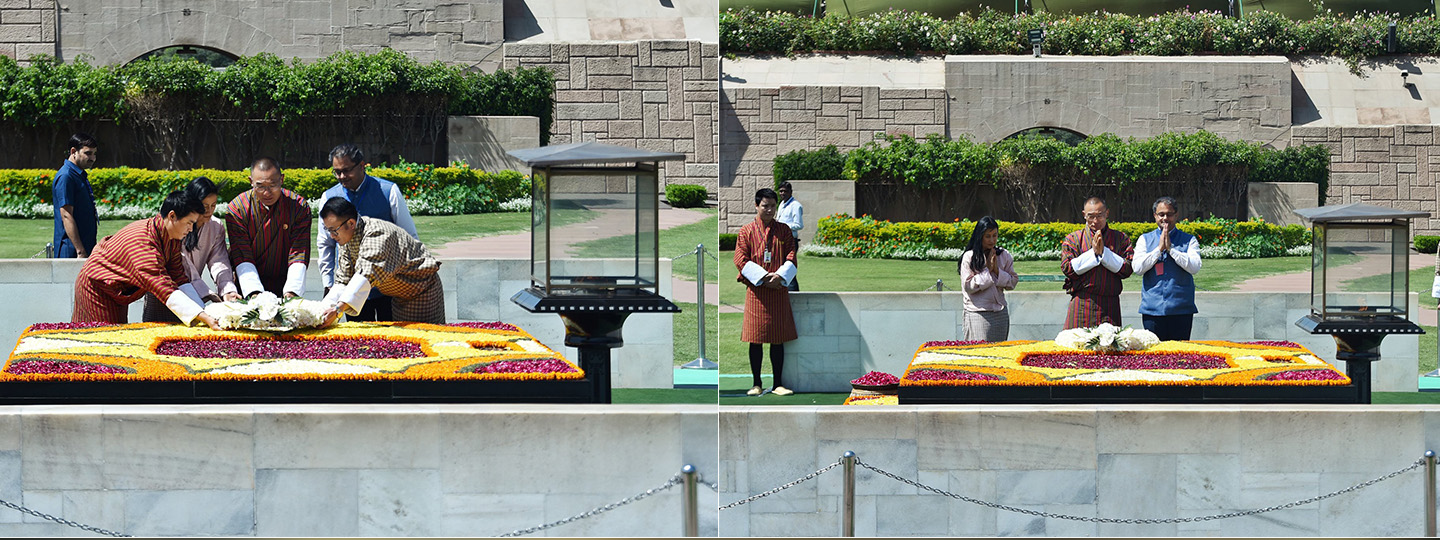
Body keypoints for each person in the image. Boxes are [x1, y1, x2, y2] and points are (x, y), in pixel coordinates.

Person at [72, 190, 221, 329]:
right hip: (96, 288)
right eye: (189, 223)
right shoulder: (143, 241)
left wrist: (202, 309)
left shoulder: (172, 238)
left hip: (117, 292)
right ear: (172, 216)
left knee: (116, 337)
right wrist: (201, 316)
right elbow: (161, 284)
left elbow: (178, 276)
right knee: (100, 341)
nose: (190, 229)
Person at [317, 143, 418, 322]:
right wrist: (329, 283)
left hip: (392, 286)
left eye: (346, 170)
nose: (341, 177)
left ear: (362, 165)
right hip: (350, 288)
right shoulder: (329, 197)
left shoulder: (388, 191)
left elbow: (409, 237)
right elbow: (325, 243)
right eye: (336, 171)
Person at [318, 197, 444, 325]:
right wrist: (320, 311)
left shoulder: (377, 233)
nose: (332, 236)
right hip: (398, 297)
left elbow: (366, 274)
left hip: (422, 291)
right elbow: (343, 279)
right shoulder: (345, 240)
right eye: (328, 230)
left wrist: (337, 310)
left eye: (334, 230)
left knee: (428, 336)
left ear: (351, 223)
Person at [142, 177, 241, 322]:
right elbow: (183, 267)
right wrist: (207, 296)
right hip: (166, 293)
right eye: (204, 206)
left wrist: (227, 290)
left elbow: (219, 261)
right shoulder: (177, 225)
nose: (209, 211)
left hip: (195, 295)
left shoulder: (215, 226)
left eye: (213, 205)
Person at [734, 188, 798, 397]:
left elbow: (791, 254)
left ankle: (778, 383)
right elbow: (740, 259)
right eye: (765, 206)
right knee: (756, 338)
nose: (769, 210)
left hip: (778, 289)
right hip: (757, 292)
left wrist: (778, 277)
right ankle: (756, 383)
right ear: (756, 205)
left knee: (778, 338)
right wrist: (762, 278)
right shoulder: (746, 231)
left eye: (772, 206)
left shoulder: (784, 230)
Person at [225, 158, 311, 298]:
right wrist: (254, 293)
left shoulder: (298, 207)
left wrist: (292, 292)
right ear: (251, 181)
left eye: (273, 185)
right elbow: (242, 254)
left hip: (285, 283)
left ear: (282, 179)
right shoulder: (238, 209)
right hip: (247, 285)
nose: (267, 193)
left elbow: (299, 252)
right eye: (260, 186)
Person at [1133, 197, 1202, 341]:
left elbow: (1194, 267)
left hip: (1181, 310)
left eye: (1169, 214)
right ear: (1155, 216)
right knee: (1155, 357)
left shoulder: (1189, 240)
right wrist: (1158, 249)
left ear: (1176, 215)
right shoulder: (1144, 239)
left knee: (1179, 356)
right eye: (1161, 214)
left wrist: (1171, 250)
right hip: (1152, 310)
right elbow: (1138, 268)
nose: (1165, 218)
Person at [1060, 196, 1134, 329]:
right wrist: (1093, 254)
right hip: (1082, 303)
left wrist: (1104, 253)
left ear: (1107, 213)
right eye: (1090, 216)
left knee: (1109, 347)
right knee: (1076, 347)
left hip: (1110, 305)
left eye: (1100, 215)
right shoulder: (1073, 239)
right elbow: (1067, 268)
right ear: (1084, 215)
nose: (1095, 221)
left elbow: (1127, 269)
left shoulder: (1120, 238)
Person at [959, 216, 1018, 341]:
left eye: (994, 235)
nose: (992, 240)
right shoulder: (970, 257)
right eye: (987, 236)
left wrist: (997, 271)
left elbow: (1012, 282)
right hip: (978, 313)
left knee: (1000, 355)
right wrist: (988, 270)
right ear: (980, 236)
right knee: (980, 355)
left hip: (1000, 313)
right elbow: (968, 286)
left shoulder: (1004, 255)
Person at [52, 133, 99, 258]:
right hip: (71, 251)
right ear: (74, 151)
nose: (93, 158)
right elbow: (66, 215)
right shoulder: (66, 176)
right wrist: (80, 251)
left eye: (94, 154)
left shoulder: (78, 175)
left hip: (84, 246)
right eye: (88, 153)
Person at [775, 181, 804, 291]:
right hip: (781, 240)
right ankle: (784, 292)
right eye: (781, 191)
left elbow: (799, 225)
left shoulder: (795, 206)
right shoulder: (782, 204)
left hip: (791, 240)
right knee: (781, 268)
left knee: (789, 268)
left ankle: (794, 294)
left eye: (785, 191)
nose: (782, 193)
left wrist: (782, 225)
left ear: (791, 192)